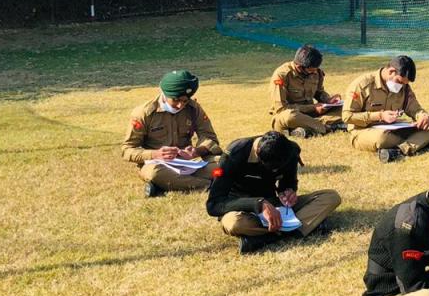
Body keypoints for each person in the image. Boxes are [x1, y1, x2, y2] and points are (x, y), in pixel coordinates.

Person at [206, 131, 342, 254]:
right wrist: (259, 204)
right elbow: (214, 204)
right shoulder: (234, 155)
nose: (274, 171)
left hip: (276, 206)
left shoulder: (290, 151)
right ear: (258, 154)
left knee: (330, 197)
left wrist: (288, 192)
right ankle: (302, 227)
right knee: (234, 224)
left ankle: (263, 238)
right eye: (271, 168)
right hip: (241, 210)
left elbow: (288, 181)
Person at [121, 70, 222, 197]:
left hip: (188, 164)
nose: (180, 105)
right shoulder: (144, 113)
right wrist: (155, 154)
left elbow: (210, 138)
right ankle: (211, 186)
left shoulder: (194, 108)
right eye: (175, 100)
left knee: (223, 164)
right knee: (155, 174)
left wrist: (197, 151)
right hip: (157, 165)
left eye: (185, 101)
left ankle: (165, 187)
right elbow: (127, 150)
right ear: (164, 93)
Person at [342, 54, 429, 163]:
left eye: (404, 84)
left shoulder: (404, 87)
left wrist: (423, 116)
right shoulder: (362, 85)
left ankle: (399, 151)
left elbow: (414, 108)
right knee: (382, 138)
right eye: (400, 82)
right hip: (364, 131)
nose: (401, 86)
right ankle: (420, 143)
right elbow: (347, 116)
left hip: (394, 129)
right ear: (391, 71)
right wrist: (379, 116)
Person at [268, 44, 344, 138]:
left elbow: (319, 92)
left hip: (311, 114)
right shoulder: (282, 75)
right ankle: (328, 127)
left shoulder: (316, 72)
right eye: (311, 71)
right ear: (299, 67)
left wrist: (328, 100)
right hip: (290, 115)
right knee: (290, 116)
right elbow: (281, 109)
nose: (314, 73)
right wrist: (313, 108)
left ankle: (307, 129)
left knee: (344, 108)